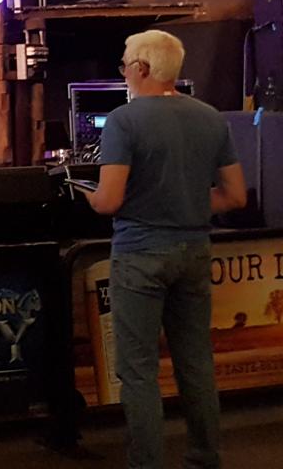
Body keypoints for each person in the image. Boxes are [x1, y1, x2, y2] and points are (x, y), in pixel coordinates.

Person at [83, 29, 246, 469]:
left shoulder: (124, 121)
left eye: (123, 65)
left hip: (139, 253)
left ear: (141, 69)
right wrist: (187, 199)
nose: (123, 73)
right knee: (196, 362)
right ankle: (204, 458)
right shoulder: (211, 117)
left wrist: (85, 193)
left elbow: (110, 200)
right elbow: (235, 196)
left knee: (138, 372)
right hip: (194, 249)